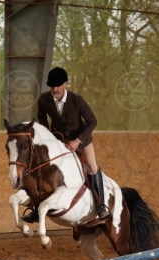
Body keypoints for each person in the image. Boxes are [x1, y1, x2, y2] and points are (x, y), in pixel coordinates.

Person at [22, 67, 110, 223]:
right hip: (58, 141)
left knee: (92, 167)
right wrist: (50, 139)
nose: (55, 90)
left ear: (66, 84)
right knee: (43, 167)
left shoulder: (77, 100)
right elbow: (42, 120)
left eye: (58, 86)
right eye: (52, 86)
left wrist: (77, 141)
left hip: (81, 140)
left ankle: (101, 205)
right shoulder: (44, 99)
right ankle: (36, 208)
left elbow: (92, 121)